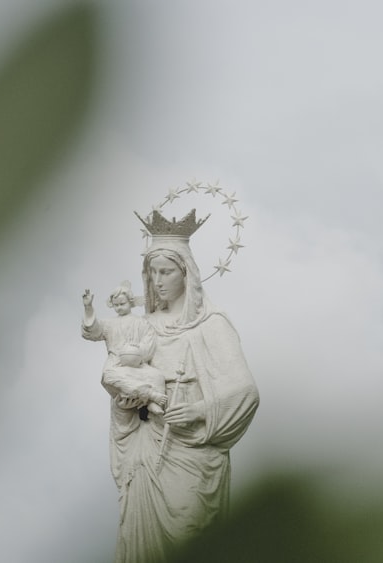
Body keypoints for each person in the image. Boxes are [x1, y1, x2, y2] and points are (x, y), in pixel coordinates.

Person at [84, 209, 259, 563]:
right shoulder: (140, 326)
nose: (158, 281)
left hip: (191, 453)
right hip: (148, 451)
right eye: (152, 273)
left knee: (190, 542)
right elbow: (119, 378)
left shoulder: (210, 325)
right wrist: (125, 403)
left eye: (166, 272)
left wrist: (197, 410)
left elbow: (245, 392)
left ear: (187, 273)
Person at [82, 282, 168, 415]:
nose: (119, 308)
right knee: (108, 376)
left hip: (137, 364)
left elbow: (149, 341)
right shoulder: (109, 324)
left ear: (130, 302)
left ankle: (152, 403)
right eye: (116, 305)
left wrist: (137, 353)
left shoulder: (141, 322)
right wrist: (88, 307)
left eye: (122, 304)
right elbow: (93, 330)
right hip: (116, 365)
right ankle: (149, 394)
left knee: (157, 376)